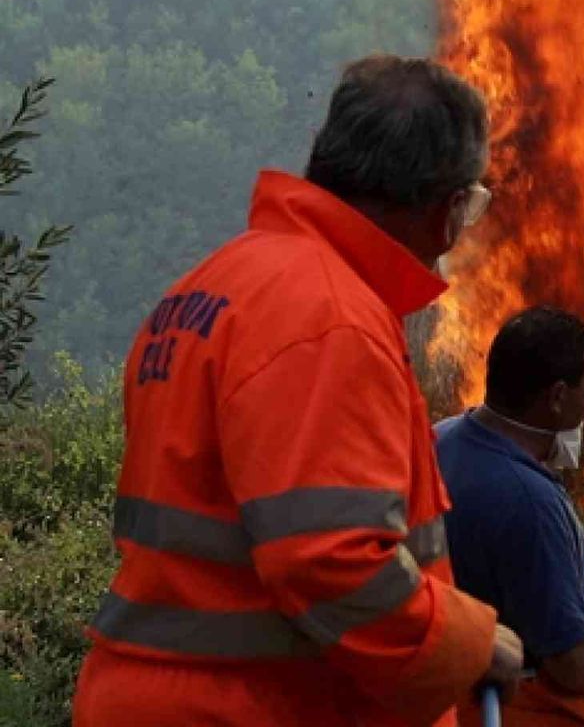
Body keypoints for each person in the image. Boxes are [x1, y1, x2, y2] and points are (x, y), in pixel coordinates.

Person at [72, 55, 525, 726]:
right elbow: (330, 558)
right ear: (447, 209)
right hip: (250, 708)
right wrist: (468, 643)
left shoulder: (216, 285)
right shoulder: (329, 318)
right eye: (472, 204)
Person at [436, 306, 584, 727]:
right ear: (556, 397)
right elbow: (573, 664)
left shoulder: (441, 440)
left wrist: (581, 601)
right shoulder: (528, 498)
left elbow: (498, 582)